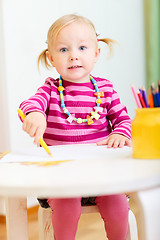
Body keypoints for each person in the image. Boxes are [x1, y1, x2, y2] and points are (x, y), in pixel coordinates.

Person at [19, 14, 132, 240]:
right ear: (51, 58)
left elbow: (123, 120)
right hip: (62, 179)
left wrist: (120, 133)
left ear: (96, 53)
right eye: (63, 50)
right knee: (67, 206)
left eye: (82, 48)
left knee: (118, 205)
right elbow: (29, 104)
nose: (73, 56)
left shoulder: (106, 89)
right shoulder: (50, 89)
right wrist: (35, 114)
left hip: (101, 176)